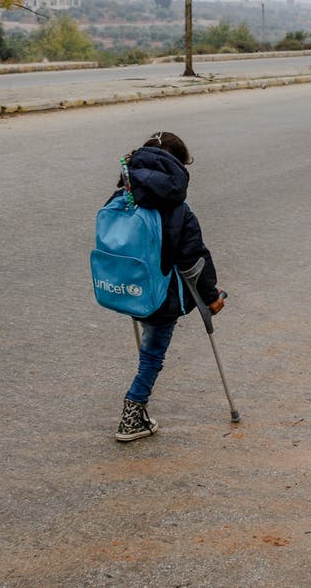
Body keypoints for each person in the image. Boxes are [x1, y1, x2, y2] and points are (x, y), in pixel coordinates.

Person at [110, 132, 224, 442]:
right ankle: (132, 414)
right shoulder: (178, 210)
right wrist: (212, 298)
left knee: (149, 344)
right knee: (152, 355)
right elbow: (193, 262)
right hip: (162, 294)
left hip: (127, 287)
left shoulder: (123, 197)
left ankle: (137, 407)